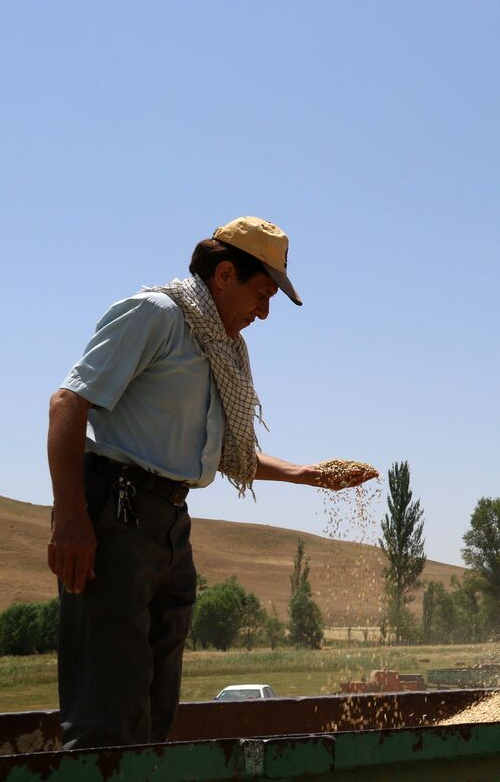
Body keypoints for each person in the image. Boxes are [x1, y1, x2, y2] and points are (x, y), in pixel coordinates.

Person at [46, 216, 377, 749]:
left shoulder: (220, 349)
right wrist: (70, 515)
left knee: (156, 705)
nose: (265, 312)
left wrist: (310, 475)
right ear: (224, 274)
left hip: (171, 524)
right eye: (261, 293)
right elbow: (69, 403)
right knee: (107, 708)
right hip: (116, 512)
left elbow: (227, 455)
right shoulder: (155, 314)